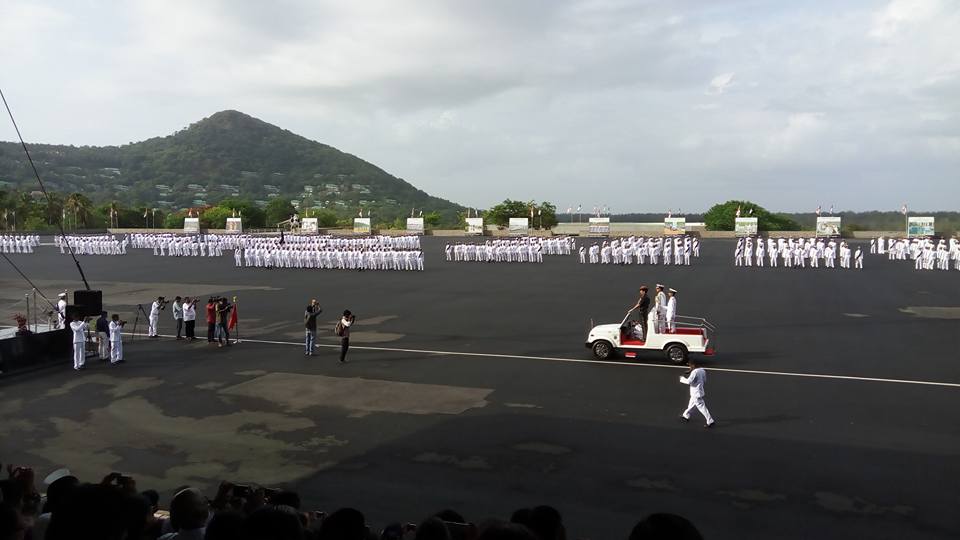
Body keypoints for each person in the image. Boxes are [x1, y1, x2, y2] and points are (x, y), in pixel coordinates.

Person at [679, 360, 714, 428]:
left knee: (702, 407)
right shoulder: (702, 370)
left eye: (690, 365)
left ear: (693, 365)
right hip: (699, 391)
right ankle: (686, 415)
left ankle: (710, 421)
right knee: (691, 404)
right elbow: (704, 380)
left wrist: (682, 379)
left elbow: (689, 381)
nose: (689, 367)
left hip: (696, 393)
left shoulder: (695, 372)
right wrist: (690, 372)